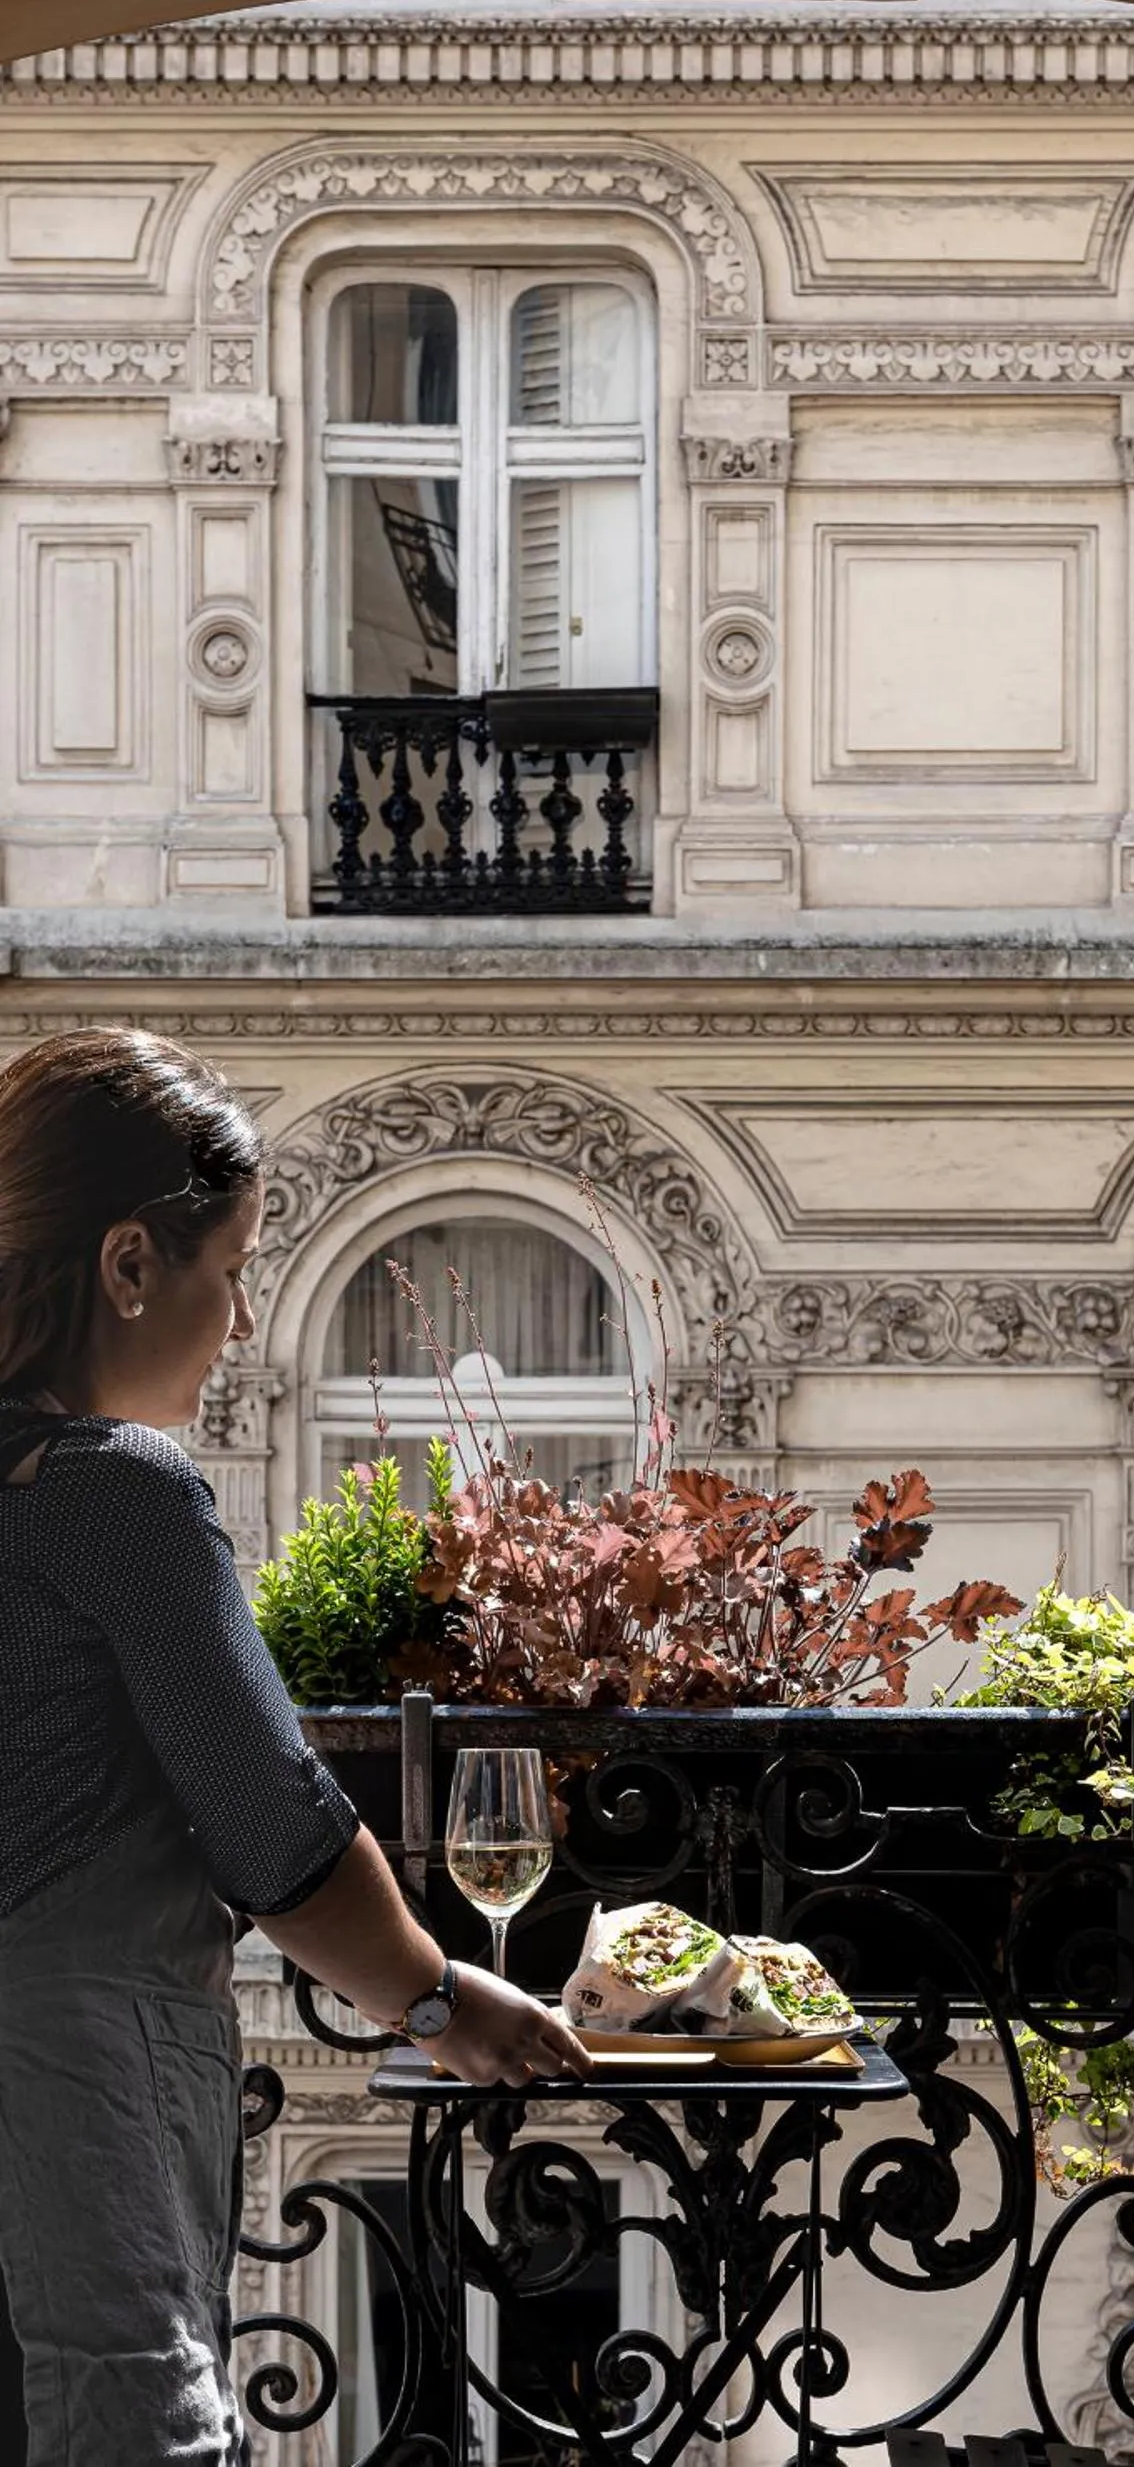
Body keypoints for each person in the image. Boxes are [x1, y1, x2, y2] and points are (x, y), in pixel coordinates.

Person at [0, 1026, 590, 2465]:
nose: (244, 1320)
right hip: (64, 2110)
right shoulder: (107, 1495)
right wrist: (441, 2004)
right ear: (129, 1265)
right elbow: (273, 1826)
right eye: (236, 1266)